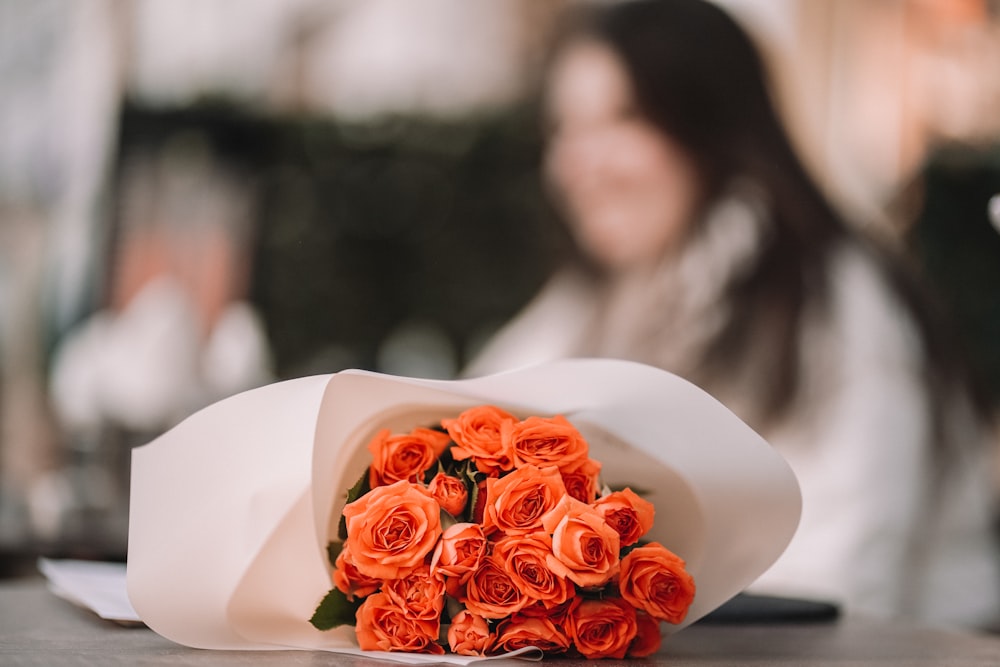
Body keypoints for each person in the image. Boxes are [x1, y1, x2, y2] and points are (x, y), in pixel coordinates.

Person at [465, 0, 1000, 629]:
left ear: (709, 129)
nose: (576, 165)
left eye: (624, 120)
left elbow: (845, 577)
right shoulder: (595, 298)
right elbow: (471, 417)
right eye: (564, 129)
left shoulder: (834, 304)